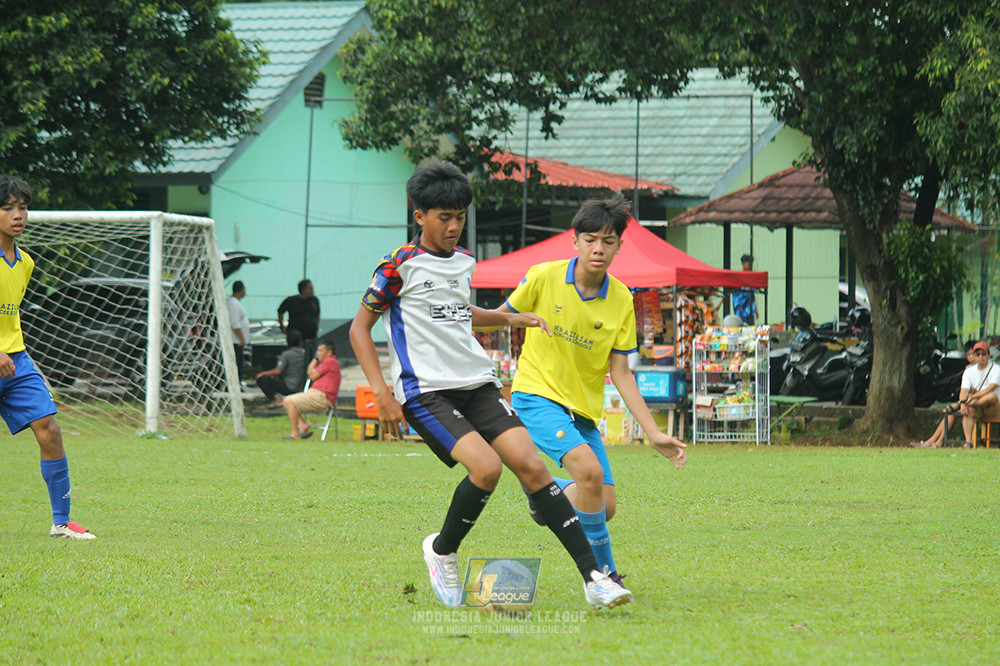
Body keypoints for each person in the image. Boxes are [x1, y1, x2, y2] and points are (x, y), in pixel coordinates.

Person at [349, 162, 631, 610]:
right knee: (486, 469)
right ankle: (441, 550)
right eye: (444, 217)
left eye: (460, 216)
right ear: (419, 215)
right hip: (427, 391)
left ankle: (595, 581)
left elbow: (461, 311)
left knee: (534, 469)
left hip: (478, 382)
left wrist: (509, 317)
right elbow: (359, 328)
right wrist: (382, 393)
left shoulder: (463, 262)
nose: (454, 226)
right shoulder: (396, 266)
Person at [494, 193, 686, 598]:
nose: (598, 248)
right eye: (590, 239)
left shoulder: (621, 299)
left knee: (602, 504)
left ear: (618, 244)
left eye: (608, 240)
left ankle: (541, 494)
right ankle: (604, 578)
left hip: (581, 410)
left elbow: (621, 372)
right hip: (536, 395)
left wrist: (653, 432)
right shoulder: (543, 276)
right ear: (575, 241)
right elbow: (501, 315)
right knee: (590, 474)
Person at [0, 175, 95, 539]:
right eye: (8, 208)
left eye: (22, 207)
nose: (17, 214)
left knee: (50, 430)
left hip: (16, 360)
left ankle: (61, 522)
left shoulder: (26, 263)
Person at [911, 341, 976, 448]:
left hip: (975, 402)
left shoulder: (988, 369)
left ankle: (964, 442)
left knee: (955, 409)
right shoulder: (968, 369)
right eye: (968, 355)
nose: (971, 357)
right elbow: (965, 391)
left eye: (974, 354)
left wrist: (960, 403)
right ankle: (936, 441)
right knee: (950, 414)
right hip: (967, 401)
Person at [281, 340, 340, 440]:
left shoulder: (330, 361)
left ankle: (295, 434)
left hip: (322, 396)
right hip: (315, 394)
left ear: (329, 353)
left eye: (321, 351)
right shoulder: (325, 363)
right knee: (287, 401)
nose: (318, 352)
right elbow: (310, 373)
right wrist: (316, 359)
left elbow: (312, 376)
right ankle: (302, 425)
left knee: (289, 401)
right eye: (317, 351)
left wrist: (316, 360)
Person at [959, 341, 1000, 446]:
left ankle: (969, 404)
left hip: (994, 408)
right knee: (969, 410)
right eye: (978, 354)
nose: (981, 357)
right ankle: (968, 442)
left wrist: (971, 398)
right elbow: (964, 390)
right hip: (977, 406)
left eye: (984, 354)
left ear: (989, 355)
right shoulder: (968, 371)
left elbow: (991, 388)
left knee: (991, 396)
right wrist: (963, 403)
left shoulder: (996, 369)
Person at [255, 329, 307, 409]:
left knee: (262, 379)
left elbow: (278, 371)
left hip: (289, 386)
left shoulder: (287, 354)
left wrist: (262, 373)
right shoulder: (305, 353)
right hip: (301, 386)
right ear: (300, 342)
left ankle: (277, 399)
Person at [278, 279, 320, 358]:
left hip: (311, 336)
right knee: (295, 358)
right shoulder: (291, 301)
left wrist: (316, 325)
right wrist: (282, 326)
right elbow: (280, 311)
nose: (312, 291)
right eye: (310, 288)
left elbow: (317, 314)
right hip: (295, 337)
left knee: (312, 357)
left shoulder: (314, 300)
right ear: (304, 289)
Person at [227, 280, 250, 381]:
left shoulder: (236, 303)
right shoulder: (233, 303)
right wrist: (241, 338)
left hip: (238, 340)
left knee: (240, 363)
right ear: (241, 290)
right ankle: (235, 382)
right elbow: (235, 323)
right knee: (237, 363)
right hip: (235, 340)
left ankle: (238, 382)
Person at [731, 254, 757, 325]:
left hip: (749, 309)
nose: (750, 266)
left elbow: (753, 294)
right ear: (743, 263)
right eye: (748, 264)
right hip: (740, 308)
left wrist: (756, 309)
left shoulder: (753, 277)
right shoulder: (738, 277)